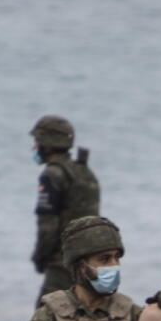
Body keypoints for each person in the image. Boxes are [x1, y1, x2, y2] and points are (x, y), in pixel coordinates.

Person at [30, 115, 101, 306]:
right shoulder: (84, 172)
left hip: (61, 264)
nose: (34, 147)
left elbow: (47, 228)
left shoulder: (53, 174)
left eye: (37, 142)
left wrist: (39, 258)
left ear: (47, 143)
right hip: (89, 264)